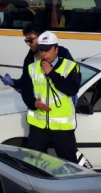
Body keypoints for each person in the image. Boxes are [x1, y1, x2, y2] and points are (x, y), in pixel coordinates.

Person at [21, 31, 80, 164]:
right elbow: (26, 92)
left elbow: (72, 89)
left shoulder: (70, 67)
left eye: (47, 50)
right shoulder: (32, 68)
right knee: (32, 163)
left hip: (62, 129)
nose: (43, 54)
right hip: (39, 127)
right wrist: (34, 103)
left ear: (56, 49)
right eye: (41, 50)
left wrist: (52, 73)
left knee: (69, 165)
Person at [0, 23, 74, 90]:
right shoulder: (29, 59)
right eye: (26, 41)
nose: (28, 44)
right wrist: (12, 82)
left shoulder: (62, 52)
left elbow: (74, 79)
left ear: (42, 37)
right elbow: (25, 83)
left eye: (30, 40)